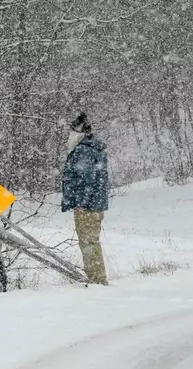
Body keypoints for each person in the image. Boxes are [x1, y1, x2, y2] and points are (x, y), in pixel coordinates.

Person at [61, 112, 110, 285]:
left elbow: (85, 179)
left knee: (88, 242)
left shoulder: (83, 150)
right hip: (96, 203)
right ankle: (98, 277)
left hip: (87, 206)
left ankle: (97, 279)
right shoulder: (95, 148)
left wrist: (80, 202)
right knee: (92, 241)